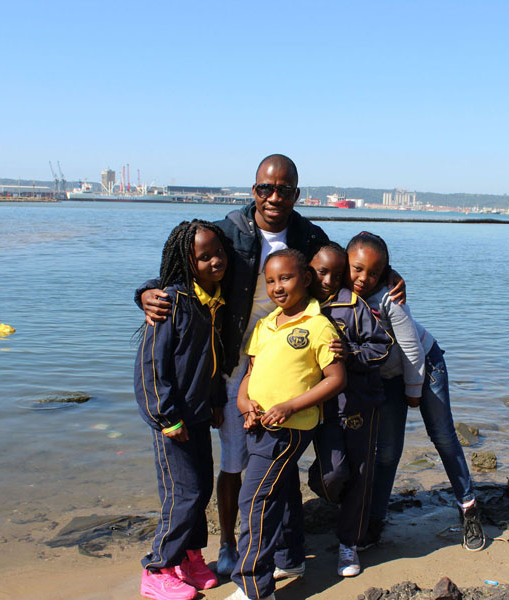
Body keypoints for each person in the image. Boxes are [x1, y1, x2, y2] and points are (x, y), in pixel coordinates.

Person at [136, 154, 405, 575]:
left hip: (292, 363)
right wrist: (146, 291)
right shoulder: (229, 232)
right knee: (234, 464)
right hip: (235, 367)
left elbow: (341, 266)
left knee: (279, 460)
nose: (274, 197)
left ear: (296, 194)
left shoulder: (308, 236)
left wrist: (389, 277)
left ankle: (282, 551)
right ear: (254, 190)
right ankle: (230, 544)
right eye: (266, 188)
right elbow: (187, 263)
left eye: (284, 190)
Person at [345, 232, 487, 552]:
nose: (364, 278)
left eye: (373, 272)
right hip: (386, 377)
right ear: (345, 264)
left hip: (425, 364)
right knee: (387, 452)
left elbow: (412, 350)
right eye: (357, 269)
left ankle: (469, 508)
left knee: (443, 436)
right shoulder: (341, 296)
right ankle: (376, 519)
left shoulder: (389, 299)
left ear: (384, 273)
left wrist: (413, 392)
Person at [226, 249, 347, 600]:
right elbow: (251, 373)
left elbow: (335, 378)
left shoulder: (318, 325)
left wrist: (290, 406)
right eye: (271, 281)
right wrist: (244, 404)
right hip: (258, 424)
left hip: (288, 428)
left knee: (255, 501)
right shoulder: (265, 324)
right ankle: (289, 559)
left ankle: (254, 586)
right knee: (282, 490)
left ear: (305, 279)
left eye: (286, 278)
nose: (278, 287)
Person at [134, 220, 229, 600]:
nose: (215, 261)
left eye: (219, 253)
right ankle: (157, 568)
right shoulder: (169, 303)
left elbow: (213, 361)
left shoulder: (213, 300)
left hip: (199, 414)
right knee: (182, 494)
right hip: (173, 420)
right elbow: (150, 367)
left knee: (201, 488)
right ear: (187, 262)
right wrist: (165, 417)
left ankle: (189, 557)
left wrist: (216, 401)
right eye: (204, 257)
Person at [305, 242, 393, 577]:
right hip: (320, 407)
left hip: (359, 404)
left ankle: (348, 543)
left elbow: (382, 346)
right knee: (332, 475)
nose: (328, 280)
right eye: (321, 273)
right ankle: (331, 496)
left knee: (360, 473)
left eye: (336, 273)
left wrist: (351, 352)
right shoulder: (302, 305)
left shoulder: (353, 306)